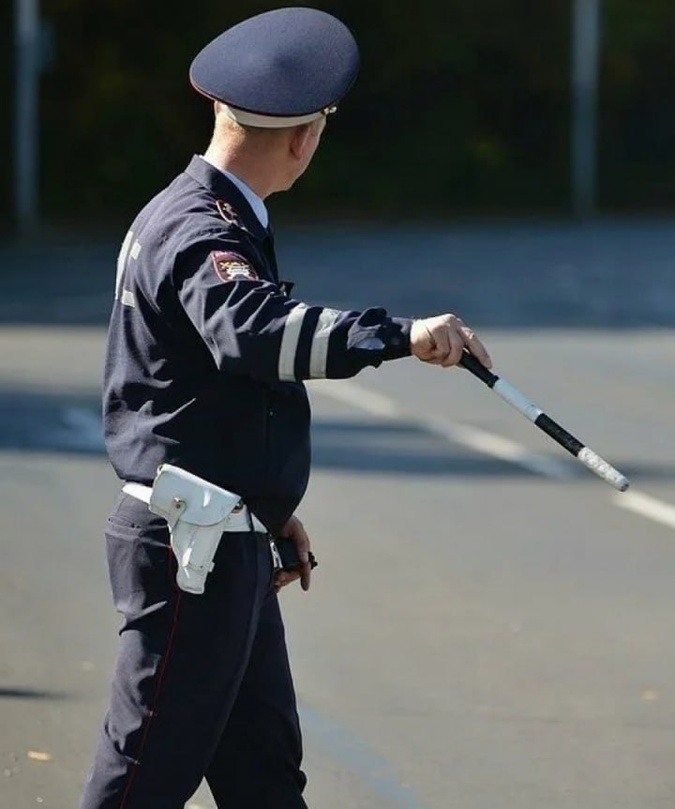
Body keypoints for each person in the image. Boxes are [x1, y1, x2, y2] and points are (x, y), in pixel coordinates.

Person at [79, 8, 492, 808]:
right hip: (189, 548)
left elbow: (204, 385)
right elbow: (256, 337)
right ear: (305, 138)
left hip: (222, 533)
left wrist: (264, 504)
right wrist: (402, 336)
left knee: (264, 775)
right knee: (140, 779)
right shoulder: (203, 228)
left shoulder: (208, 214)